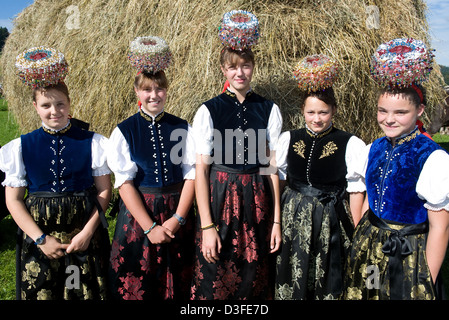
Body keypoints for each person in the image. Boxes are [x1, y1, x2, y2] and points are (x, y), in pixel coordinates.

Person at [0, 47, 111, 300]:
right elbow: (13, 200)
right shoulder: (20, 147)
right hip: (38, 236)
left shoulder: (92, 142)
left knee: (84, 292)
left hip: (84, 234)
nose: (54, 111)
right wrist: (40, 239)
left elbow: (105, 190)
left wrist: (87, 233)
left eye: (60, 104)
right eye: (46, 105)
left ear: (70, 104)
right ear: (35, 106)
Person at [342, 38, 449, 300]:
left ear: (419, 110)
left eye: (400, 112)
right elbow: (370, 192)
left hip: (408, 252)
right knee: (369, 292)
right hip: (371, 244)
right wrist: (362, 233)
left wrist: (426, 280)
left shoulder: (432, 157)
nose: (389, 119)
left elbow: (440, 227)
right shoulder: (373, 148)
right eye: (382, 111)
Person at [190, 10, 283, 300]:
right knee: (214, 273)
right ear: (223, 70)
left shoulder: (269, 109)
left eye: (245, 66)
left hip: (257, 199)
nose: (239, 73)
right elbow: (201, 171)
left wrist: (277, 220)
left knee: (254, 276)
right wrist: (207, 225)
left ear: (253, 67)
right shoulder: (209, 110)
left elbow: (272, 168)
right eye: (232, 67)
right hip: (220, 197)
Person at [107, 36, 196, 300]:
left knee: (180, 280)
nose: (154, 95)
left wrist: (177, 219)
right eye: (147, 90)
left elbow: (191, 175)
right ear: (137, 92)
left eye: (159, 89)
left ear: (166, 90)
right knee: (140, 282)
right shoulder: (124, 131)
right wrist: (149, 228)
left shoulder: (182, 128)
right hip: (139, 216)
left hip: (177, 212)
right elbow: (124, 183)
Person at [274, 54, 366, 300]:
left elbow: (357, 189)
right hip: (293, 214)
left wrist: (356, 229)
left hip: (330, 215)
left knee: (327, 271)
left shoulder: (350, 143)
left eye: (323, 112)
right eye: (311, 112)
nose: (316, 119)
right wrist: (277, 217)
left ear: (333, 110)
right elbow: (279, 180)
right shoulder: (288, 139)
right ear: (302, 110)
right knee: (295, 270)